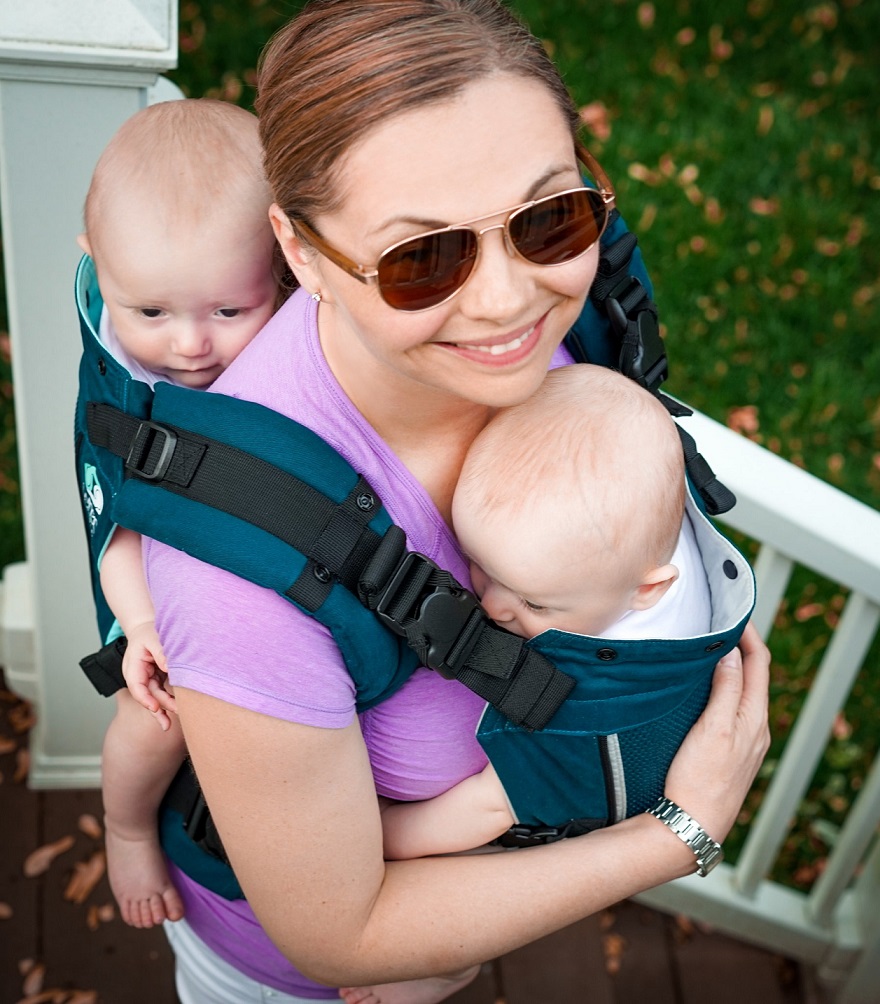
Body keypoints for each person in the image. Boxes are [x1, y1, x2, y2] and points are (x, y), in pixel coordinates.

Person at [138, 2, 770, 1002]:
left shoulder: (564, 330)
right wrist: (677, 833)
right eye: (421, 259)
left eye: (546, 217)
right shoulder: (241, 577)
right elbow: (338, 936)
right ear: (302, 254)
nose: (506, 301)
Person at [376, 362, 714, 865]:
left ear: (648, 589)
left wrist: (376, 835)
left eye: (533, 603)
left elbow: (488, 808)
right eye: (480, 567)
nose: (491, 605)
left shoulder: (590, 707)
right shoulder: (630, 542)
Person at [76, 98, 280, 928]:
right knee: (154, 721)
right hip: (159, 589)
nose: (189, 344)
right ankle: (126, 827)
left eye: (230, 311)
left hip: (264, 572)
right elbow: (117, 532)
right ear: (98, 267)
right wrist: (143, 628)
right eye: (151, 312)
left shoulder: (290, 343)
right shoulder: (133, 389)